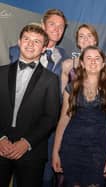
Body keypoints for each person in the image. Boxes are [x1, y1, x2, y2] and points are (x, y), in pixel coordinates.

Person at [0, 24, 60, 187]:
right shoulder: (1, 72)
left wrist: (26, 142)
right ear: (19, 42)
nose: (30, 44)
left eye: (37, 41)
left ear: (43, 48)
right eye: (26, 39)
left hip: (31, 153)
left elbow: (51, 117)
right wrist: (1, 139)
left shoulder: (51, 79)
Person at [52, 46, 106, 187]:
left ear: (103, 64)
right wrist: (55, 151)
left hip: (99, 150)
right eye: (88, 58)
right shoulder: (71, 88)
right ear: (82, 63)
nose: (93, 62)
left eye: (97, 58)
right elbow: (63, 121)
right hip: (71, 147)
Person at [61, 23, 99, 92]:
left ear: (95, 41)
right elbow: (63, 94)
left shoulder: (105, 64)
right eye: (81, 36)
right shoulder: (67, 65)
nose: (86, 39)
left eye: (89, 35)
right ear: (78, 42)